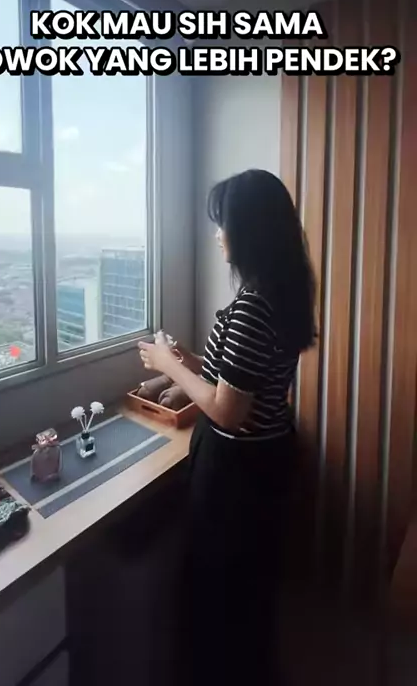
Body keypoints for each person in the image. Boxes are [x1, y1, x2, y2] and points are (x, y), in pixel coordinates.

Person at [139, 169, 316, 685]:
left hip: (239, 472)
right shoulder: (281, 294)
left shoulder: (252, 308)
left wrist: (168, 366)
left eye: (224, 223)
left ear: (249, 231)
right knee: (249, 589)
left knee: (221, 591)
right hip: (268, 456)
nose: (218, 235)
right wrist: (186, 360)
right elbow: (236, 378)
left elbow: (227, 410)